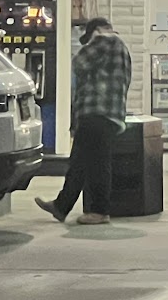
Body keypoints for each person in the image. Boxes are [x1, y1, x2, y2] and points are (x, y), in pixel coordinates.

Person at [37, 16, 132, 225]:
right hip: (108, 114)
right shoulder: (121, 48)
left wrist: (93, 39)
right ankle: (61, 206)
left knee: (98, 163)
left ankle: (99, 211)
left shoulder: (105, 40)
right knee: (79, 163)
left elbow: (78, 63)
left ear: (95, 31)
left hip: (97, 112)